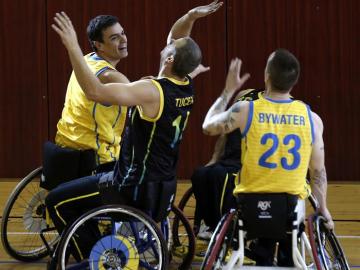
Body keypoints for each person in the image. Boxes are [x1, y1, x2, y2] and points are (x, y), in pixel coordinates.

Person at [46, 1, 223, 268]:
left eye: (169, 47)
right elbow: (177, 38)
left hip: (131, 185)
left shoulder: (151, 91)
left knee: (55, 201)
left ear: (171, 58)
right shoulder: (186, 84)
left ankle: (99, 258)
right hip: (163, 183)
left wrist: (72, 46)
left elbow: (95, 91)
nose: (167, 43)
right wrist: (190, 16)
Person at [202, 50, 334, 265]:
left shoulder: (246, 110)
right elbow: (318, 170)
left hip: (251, 206)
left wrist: (227, 91)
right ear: (294, 81)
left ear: (266, 75)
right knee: (291, 218)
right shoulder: (312, 119)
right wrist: (323, 208)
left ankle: (263, 256)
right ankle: (285, 258)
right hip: (290, 207)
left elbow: (207, 126)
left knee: (256, 226)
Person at [41, 15, 131, 190]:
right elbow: (138, 95)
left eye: (122, 33)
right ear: (98, 44)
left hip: (66, 143)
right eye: (114, 37)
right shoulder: (110, 76)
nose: (123, 40)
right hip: (95, 156)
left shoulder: (87, 59)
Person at [192, 89, 262, 238]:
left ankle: (224, 227)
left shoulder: (271, 104)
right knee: (201, 173)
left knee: (220, 176)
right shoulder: (244, 95)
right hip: (230, 158)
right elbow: (225, 133)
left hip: (248, 162)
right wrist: (214, 158)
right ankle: (207, 223)